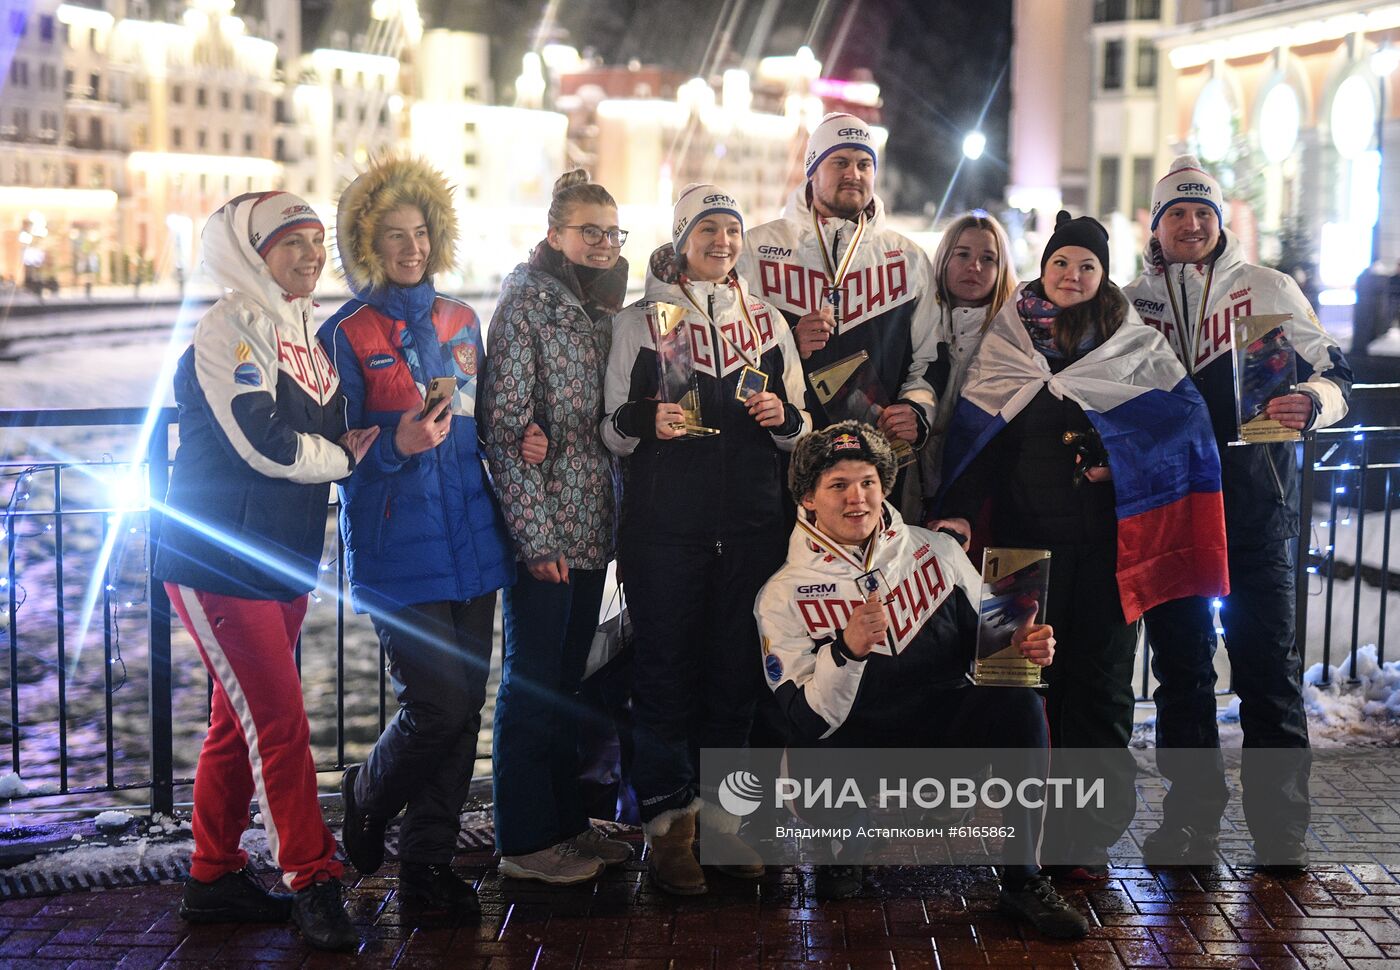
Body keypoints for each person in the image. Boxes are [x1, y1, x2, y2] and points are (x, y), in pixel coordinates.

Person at [933, 210, 1229, 879]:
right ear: (1044, 268)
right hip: (1015, 553)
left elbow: (1179, 435)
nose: (1072, 276)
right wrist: (955, 513)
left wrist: (1117, 462)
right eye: (1062, 262)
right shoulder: (1008, 340)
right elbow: (977, 437)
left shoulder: (1133, 346)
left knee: (1096, 692)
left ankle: (1084, 838)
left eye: (1087, 266)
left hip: (1105, 555)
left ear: (1103, 276)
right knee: (1016, 690)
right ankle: (1019, 840)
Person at [754, 421, 1087, 938]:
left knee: (1019, 703)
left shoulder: (940, 550)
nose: (856, 498)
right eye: (837, 485)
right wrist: (846, 651)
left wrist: (1029, 646)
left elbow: (999, 646)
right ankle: (846, 841)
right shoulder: (781, 594)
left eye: (867, 481)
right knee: (811, 759)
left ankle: (1023, 878)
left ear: (884, 486)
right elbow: (803, 720)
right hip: (849, 753)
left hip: (942, 743)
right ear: (808, 499)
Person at [153, 191, 377, 952]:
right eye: (293, 243)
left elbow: (309, 431)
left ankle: (212, 877)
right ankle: (313, 883)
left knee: (233, 722)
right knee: (278, 723)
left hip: (277, 558)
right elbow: (265, 442)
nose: (312, 255)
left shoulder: (297, 331)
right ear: (254, 253)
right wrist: (342, 456)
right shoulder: (230, 327)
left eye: (318, 243)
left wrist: (369, 439)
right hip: (219, 560)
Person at [1124, 156, 1353, 871]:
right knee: (1182, 674)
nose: (1191, 225)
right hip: (1172, 512)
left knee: (1269, 672)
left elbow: (1335, 371)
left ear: (1220, 222)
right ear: (1155, 227)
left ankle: (1281, 830)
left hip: (1258, 509)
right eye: (1176, 214)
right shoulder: (1131, 305)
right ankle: (1189, 824)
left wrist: (1313, 403)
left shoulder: (1268, 291)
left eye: (1203, 213)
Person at [319, 156, 515, 916]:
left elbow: (483, 422)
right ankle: (366, 797)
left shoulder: (461, 321)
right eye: (394, 235)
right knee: (435, 704)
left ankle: (427, 868)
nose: (411, 246)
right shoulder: (345, 333)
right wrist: (395, 446)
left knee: (464, 710)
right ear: (368, 244)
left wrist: (521, 439)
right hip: (399, 549)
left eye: (421, 232)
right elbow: (338, 454)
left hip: (472, 542)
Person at [601, 183, 810, 895]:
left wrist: (783, 414)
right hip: (666, 532)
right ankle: (669, 827)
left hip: (754, 528)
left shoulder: (767, 321)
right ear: (682, 239)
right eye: (708, 230)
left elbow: (801, 429)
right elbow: (609, 429)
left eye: (731, 230)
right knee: (663, 676)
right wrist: (643, 420)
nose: (722, 241)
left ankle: (729, 822)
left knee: (736, 677)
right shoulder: (642, 322)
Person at [479, 169, 633, 884]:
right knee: (533, 683)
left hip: (593, 523)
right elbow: (507, 432)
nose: (602, 244)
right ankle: (524, 839)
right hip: (547, 531)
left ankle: (567, 823)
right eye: (588, 232)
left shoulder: (603, 309)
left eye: (611, 232)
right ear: (555, 235)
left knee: (570, 683)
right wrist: (534, 539)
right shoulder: (526, 308)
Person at [736, 112, 941, 512]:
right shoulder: (757, 250)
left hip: (875, 466)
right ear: (812, 170)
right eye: (840, 162)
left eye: (865, 164)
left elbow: (932, 358)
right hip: (781, 458)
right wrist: (788, 347)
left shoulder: (908, 258)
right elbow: (728, 350)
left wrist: (917, 411)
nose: (854, 173)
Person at [919, 212, 1017, 511]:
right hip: (914, 480)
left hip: (981, 493)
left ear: (1001, 269)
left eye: (988, 258)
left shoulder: (1016, 336)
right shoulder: (916, 324)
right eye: (963, 254)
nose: (974, 266)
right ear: (944, 258)